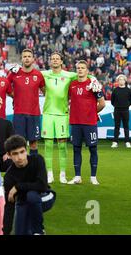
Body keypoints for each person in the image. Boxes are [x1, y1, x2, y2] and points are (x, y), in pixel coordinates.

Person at [40, 52, 101, 184]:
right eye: (53, 59)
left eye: (57, 59)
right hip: (48, 114)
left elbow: (85, 74)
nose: (55, 61)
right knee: (48, 144)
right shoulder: (44, 74)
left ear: (61, 62)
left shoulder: (69, 75)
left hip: (63, 114)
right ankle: (49, 174)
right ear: (50, 61)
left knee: (62, 146)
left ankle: (62, 174)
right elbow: (31, 74)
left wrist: (94, 79)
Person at [2, 135, 56, 235]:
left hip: (45, 196)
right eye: (15, 154)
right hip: (23, 202)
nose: (20, 157)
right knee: (20, 232)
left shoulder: (37, 160)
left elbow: (42, 186)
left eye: (22, 152)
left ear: (26, 150)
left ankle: (38, 231)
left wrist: (18, 187)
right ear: (9, 155)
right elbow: (9, 206)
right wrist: (5, 232)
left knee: (31, 195)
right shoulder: (9, 177)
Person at [67, 61, 106, 185]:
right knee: (76, 149)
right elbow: (67, 100)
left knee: (93, 149)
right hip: (75, 122)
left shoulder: (93, 84)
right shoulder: (72, 85)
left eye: (82, 68)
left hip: (89, 123)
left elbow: (102, 103)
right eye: (78, 68)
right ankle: (77, 177)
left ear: (87, 70)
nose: (80, 70)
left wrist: (93, 113)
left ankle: (93, 177)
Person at [7, 49, 45, 155]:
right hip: (19, 114)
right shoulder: (14, 73)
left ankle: (33, 168)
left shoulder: (38, 75)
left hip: (34, 114)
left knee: (33, 143)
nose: (27, 58)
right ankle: (21, 169)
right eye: (24, 57)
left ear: (33, 59)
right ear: (21, 59)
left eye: (29, 56)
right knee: (19, 144)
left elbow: (45, 91)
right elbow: (5, 86)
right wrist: (14, 95)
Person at [111, 74, 131, 148]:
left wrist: (125, 106)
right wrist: (117, 105)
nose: (121, 81)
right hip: (117, 110)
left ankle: (127, 141)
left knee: (126, 126)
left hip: (125, 110)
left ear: (125, 81)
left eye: (122, 79)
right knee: (116, 126)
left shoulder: (128, 90)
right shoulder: (115, 90)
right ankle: (115, 142)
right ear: (118, 81)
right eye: (120, 79)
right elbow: (112, 101)